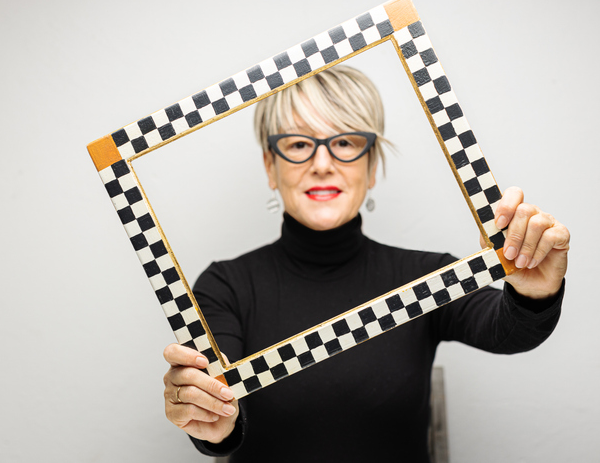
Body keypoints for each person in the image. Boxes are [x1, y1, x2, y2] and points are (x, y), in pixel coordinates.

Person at [161, 65, 569, 462]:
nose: (322, 163)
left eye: (345, 142)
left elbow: (508, 330)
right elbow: (220, 405)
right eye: (299, 144)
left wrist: (533, 292)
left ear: (371, 165)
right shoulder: (224, 287)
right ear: (272, 166)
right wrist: (212, 417)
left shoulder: (427, 279)